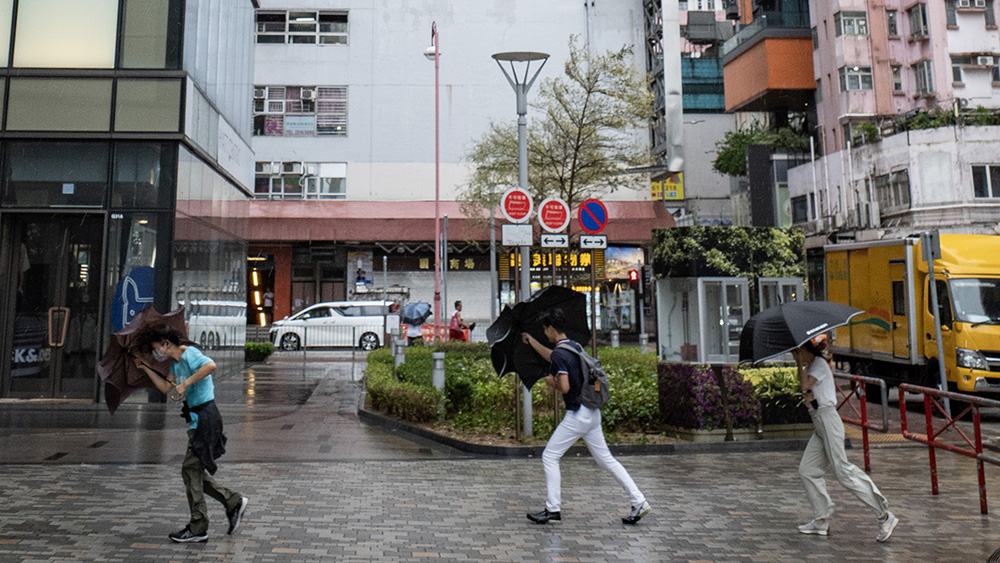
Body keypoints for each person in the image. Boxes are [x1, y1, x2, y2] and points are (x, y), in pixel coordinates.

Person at [521, 309, 650, 525]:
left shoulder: (560, 355)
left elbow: (564, 386)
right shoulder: (574, 347)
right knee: (606, 460)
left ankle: (553, 509)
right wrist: (532, 341)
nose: (544, 334)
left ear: (551, 329)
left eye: (545, 330)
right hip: (592, 412)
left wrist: (551, 382)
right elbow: (552, 355)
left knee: (549, 456)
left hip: (577, 416)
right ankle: (639, 501)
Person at [133, 325, 249, 544]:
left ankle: (199, 526)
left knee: (190, 469)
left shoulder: (189, 353)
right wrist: (145, 367)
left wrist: (186, 383)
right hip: (197, 419)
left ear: (166, 343)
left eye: (156, 347)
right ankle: (232, 501)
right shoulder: (176, 365)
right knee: (194, 473)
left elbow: (210, 365)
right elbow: (166, 387)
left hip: (206, 418)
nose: (156, 352)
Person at [794, 335, 898, 542]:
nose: (795, 356)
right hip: (820, 424)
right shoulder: (813, 365)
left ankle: (884, 515)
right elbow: (807, 392)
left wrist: (798, 365)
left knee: (843, 472)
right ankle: (821, 519)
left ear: (804, 350)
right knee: (807, 470)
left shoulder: (819, 364)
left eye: (796, 352)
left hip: (828, 421)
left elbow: (805, 385)